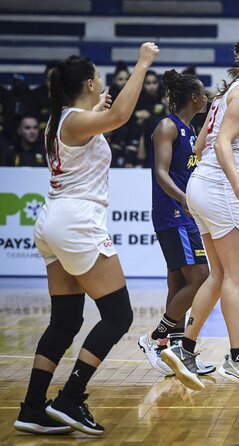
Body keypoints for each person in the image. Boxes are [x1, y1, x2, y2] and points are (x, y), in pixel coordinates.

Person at [13, 42, 159, 436]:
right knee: (118, 315)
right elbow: (122, 114)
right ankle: (70, 398)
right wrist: (143, 64)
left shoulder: (62, 119)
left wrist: (97, 114)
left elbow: (97, 125)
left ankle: (31, 407)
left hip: (54, 220)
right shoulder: (75, 121)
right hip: (76, 220)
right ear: (92, 83)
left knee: (65, 320)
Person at [160, 34, 239, 392]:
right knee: (238, 275)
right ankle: (238, 357)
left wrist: (213, 178)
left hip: (202, 185)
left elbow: (200, 143)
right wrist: (235, 182)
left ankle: (184, 349)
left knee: (217, 275)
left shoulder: (230, 92)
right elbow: (221, 142)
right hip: (220, 187)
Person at [137, 69, 215, 377]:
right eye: (204, 93)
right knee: (201, 279)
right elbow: (161, 173)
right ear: (194, 97)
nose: (206, 97)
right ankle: (155, 338)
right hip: (175, 214)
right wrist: (186, 200)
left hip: (185, 214)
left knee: (179, 283)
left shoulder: (191, 129)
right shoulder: (168, 127)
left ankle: (178, 353)